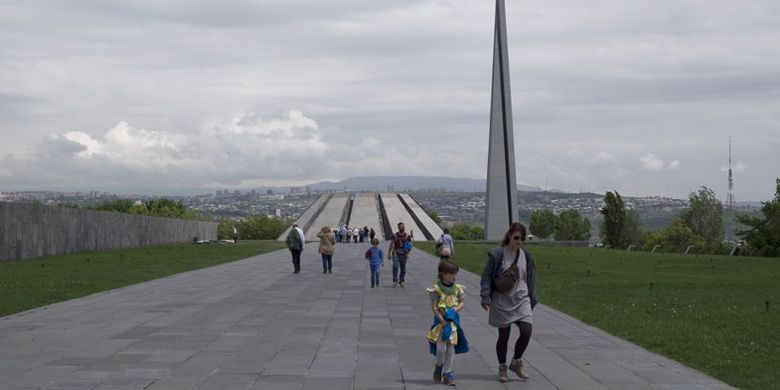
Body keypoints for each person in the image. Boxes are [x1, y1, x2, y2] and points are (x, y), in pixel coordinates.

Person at [479, 222, 538, 382]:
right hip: (502, 299)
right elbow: (486, 276)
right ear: (509, 236)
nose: (519, 241)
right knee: (504, 336)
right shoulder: (498, 254)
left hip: (521, 299)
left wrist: (533, 297)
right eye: (516, 238)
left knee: (526, 331)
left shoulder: (526, 256)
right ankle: (502, 367)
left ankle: (516, 362)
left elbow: (531, 278)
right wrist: (485, 296)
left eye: (522, 239)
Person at [426, 260, 469, 386]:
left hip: (453, 323)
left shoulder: (457, 288)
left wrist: (456, 309)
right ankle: (439, 366)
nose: (454, 276)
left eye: (455, 274)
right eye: (452, 274)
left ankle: (447, 373)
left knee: (450, 349)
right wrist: (442, 320)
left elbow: (462, 302)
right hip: (440, 323)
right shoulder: (436, 289)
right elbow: (434, 307)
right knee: (441, 350)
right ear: (443, 274)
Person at [387, 222, 413, 288]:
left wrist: (408, 251)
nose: (402, 228)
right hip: (396, 254)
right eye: (401, 227)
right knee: (395, 267)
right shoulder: (395, 235)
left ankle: (401, 281)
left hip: (404, 254)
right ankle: (395, 281)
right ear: (398, 228)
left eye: (403, 226)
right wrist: (389, 253)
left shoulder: (407, 236)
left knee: (403, 269)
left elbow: (410, 245)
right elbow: (391, 244)